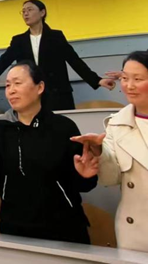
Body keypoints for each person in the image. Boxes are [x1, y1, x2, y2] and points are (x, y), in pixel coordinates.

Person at [0, 61, 96, 244]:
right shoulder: (0, 128)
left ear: (40, 87)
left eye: (17, 83)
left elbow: (83, 182)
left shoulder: (63, 127)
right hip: (14, 224)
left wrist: (85, 176)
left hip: (63, 225)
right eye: (8, 85)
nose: (11, 90)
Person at [72, 51, 148, 252]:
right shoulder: (116, 124)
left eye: (138, 79)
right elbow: (112, 177)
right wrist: (99, 152)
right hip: (136, 232)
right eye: (124, 78)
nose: (129, 86)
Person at [0, 0, 113, 110]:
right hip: (31, 93)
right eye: (23, 11)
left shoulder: (56, 36)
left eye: (29, 10)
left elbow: (75, 61)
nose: (25, 13)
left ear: (42, 12)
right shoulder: (19, 40)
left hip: (57, 94)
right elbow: (4, 61)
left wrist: (97, 80)